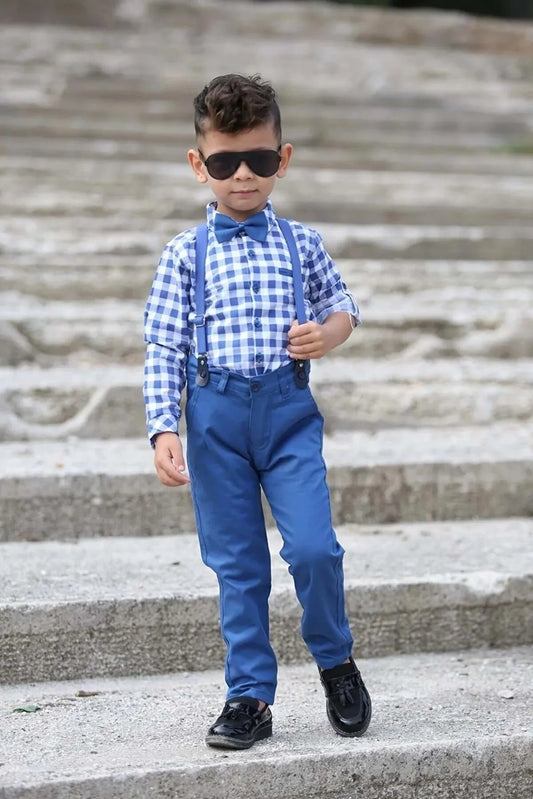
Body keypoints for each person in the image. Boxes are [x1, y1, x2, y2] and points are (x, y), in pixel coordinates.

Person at [143, 73, 371, 750]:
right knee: (237, 563)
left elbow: (343, 306)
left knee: (312, 546)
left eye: (259, 160)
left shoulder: (300, 243)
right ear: (199, 165)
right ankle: (248, 693)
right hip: (214, 420)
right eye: (224, 162)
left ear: (283, 158)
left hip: (285, 413)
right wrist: (163, 426)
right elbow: (163, 344)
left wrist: (326, 335)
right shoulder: (186, 253)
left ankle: (334, 659)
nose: (242, 176)